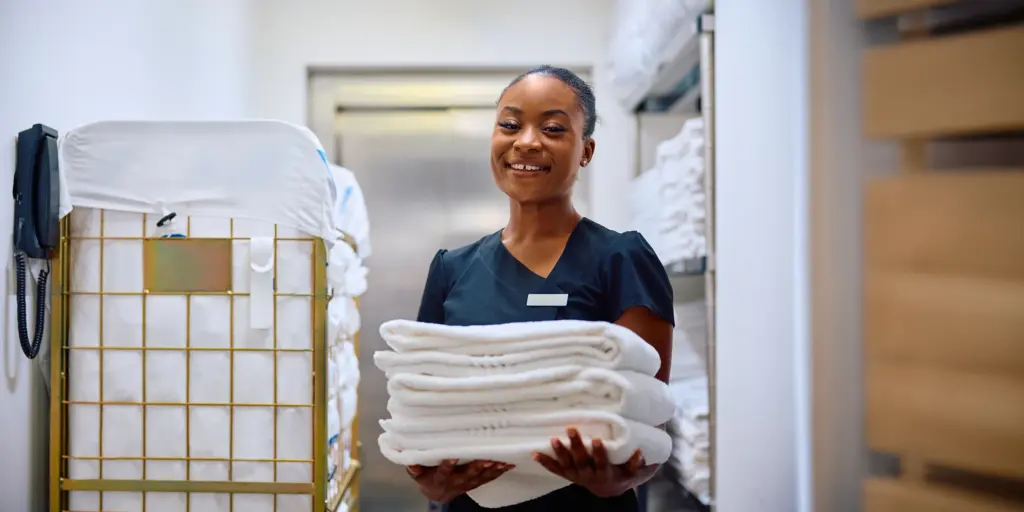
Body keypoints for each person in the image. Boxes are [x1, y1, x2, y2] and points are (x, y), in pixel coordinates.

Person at [408, 65, 675, 511]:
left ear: (586, 151)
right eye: (509, 125)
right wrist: (431, 483)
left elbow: (649, 420)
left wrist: (613, 480)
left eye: (552, 128)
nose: (526, 141)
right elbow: (427, 411)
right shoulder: (451, 269)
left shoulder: (622, 260)